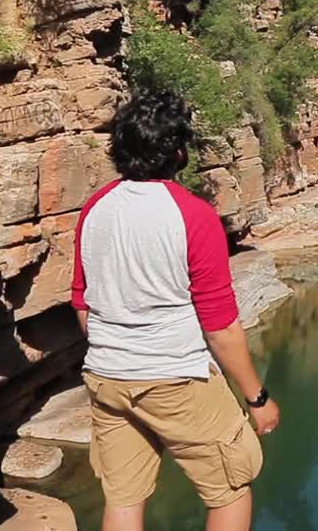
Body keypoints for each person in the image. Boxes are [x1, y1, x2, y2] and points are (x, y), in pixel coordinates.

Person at [70, 91, 280, 531]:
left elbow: (83, 302)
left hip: (107, 377)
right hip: (174, 378)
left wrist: (118, 352)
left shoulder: (95, 208)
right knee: (230, 490)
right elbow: (220, 326)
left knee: (124, 499)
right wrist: (257, 399)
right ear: (178, 151)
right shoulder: (193, 216)